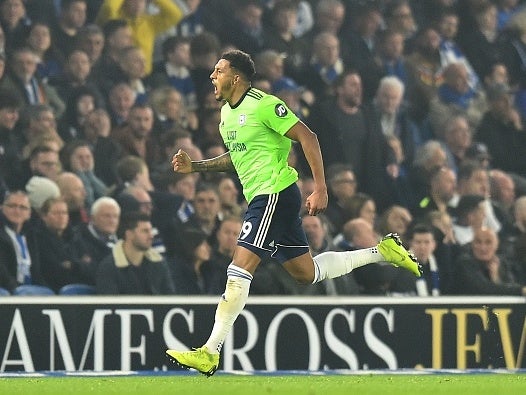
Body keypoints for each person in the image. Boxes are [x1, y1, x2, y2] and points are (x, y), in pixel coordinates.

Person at [165, 49, 422, 376]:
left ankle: (210, 351)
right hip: (265, 196)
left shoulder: (265, 104)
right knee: (306, 273)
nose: (212, 76)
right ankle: (382, 251)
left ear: (237, 77)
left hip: (273, 193)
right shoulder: (227, 115)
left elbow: (307, 136)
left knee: (239, 267)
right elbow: (237, 157)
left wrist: (320, 187)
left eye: (219, 70)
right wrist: (196, 167)